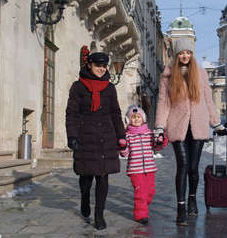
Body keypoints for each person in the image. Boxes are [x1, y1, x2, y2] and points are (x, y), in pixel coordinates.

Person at [154, 37, 227, 226]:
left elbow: (208, 100)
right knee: (183, 167)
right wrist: (160, 127)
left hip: (198, 125)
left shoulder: (201, 73)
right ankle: (181, 209)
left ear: (191, 54)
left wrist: (216, 123)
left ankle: (192, 199)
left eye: (188, 52)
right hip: (177, 127)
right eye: (182, 53)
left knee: (194, 169)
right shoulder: (168, 75)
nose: (185, 55)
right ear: (177, 55)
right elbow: (163, 102)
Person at [66, 51, 125, 230]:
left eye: (104, 66)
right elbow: (72, 113)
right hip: (85, 135)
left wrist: (121, 135)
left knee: (103, 176)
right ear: (89, 65)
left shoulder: (110, 87)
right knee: (86, 175)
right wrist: (72, 136)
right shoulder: (78, 86)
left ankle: (99, 215)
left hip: (106, 136)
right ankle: (85, 197)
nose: (101, 69)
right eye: (98, 65)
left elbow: (116, 113)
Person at [119, 105, 168, 225]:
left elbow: (156, 147)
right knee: (140, 192)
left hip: (149, 168)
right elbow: (125, 154)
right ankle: (141, 215)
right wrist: (123, 145)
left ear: (143, 119)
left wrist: (161, 140)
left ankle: (143, 207)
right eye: (133, 117)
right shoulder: (128, 136)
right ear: (128, 120)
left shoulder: (149, 133)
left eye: (138, 117)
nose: (136, 119)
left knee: (150, 192)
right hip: (135, 170)